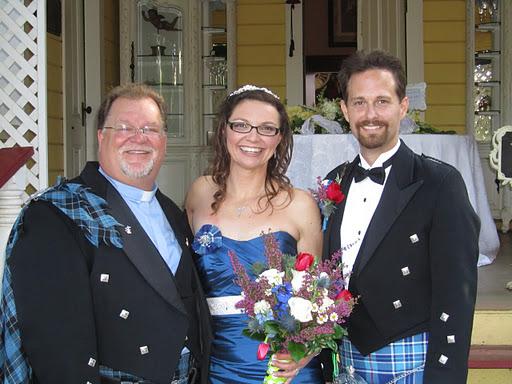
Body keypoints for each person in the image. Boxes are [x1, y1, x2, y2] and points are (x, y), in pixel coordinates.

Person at [0, 83, 212, 384]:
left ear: (164, 140)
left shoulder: (173, 213)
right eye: (124, 127)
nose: (139, 138)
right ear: (101, 137)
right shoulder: (55, 215)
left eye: (151, 129)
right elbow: (53, 347)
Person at [321, 51, 480, 383]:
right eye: (359, 102)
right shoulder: (334, 182)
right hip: (345, 356)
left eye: (382, 101)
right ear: (345, 111)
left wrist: (444, 376)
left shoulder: (440, 183)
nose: (370, 114)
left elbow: (457, 291)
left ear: (403, 106)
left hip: (410, 357)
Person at [185, 85, 325, 383]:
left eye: (267, 128)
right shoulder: (199, 194)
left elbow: (316, 298)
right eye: (242, 125)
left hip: (283, 367)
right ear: (224, 131)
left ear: (280, 139)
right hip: (218, 362)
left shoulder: (300, 205)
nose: (253, 137)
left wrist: (305, 353)